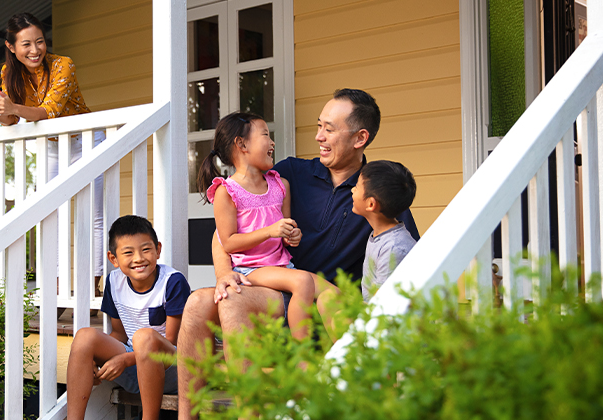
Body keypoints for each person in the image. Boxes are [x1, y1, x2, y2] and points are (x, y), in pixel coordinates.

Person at [176, 88, 420, 419]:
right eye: (319, 126)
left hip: (320, 306)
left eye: (329, 129)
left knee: (231, 301)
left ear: (360, 138)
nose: (319, 136)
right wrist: (223, 275)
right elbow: (225, 233)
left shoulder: (376, 193)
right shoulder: (288, 174)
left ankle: (249, 412)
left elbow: (407, 268)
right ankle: (185, 415)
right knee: (197, 303)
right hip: (270, 285)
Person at [0, 12, 106, 291]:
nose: (35, 50)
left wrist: (12, 107)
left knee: (91, 214)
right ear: (11, 46)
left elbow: (48, 112)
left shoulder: (63, 65)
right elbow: (11, 119)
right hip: (52, 146)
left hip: (86, 140)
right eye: (26, 44)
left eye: (39, 41)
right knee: (51, 214)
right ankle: (57, 291)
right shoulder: (8, 73)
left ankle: (91, 289)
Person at [197, 112, 332, 340]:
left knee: (335, 294)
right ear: (242, 144)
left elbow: (285, 232)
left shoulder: (280, 185)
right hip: (251, 269)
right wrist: (269, 231)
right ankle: (301, 351)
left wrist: (291, 235)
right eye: (265, 135)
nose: (272, 143)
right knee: (303, 281)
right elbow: (228, 242)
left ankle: (352, 352)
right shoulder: (226, 191)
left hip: (282, 266)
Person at [66, 215, 191, 420]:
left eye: (146, 249)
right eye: (128, 252)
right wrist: (92, 358)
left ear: (158, 249)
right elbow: (119, 333)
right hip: (135, 366)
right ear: (113, 259)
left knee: (144, 337)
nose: (139, 258)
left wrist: (124, 360)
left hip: (173, 370)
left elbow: (173, 342)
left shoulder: (172, 282)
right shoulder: (114, 281)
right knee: (84, 337)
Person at [319, 160, 418, 336]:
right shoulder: (380, 234)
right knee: (327, 298)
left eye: (357, 187)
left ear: (371, 204)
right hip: (372, 308)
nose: (352, 190)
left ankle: (353, 353)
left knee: (341, 316)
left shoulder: (394, 248)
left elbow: (383, 304)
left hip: (388, 325)